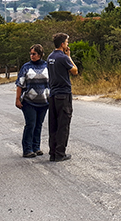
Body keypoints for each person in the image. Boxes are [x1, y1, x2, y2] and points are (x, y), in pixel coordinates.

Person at [46, 33, 78, 162]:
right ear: (62, 44)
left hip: (53, 94)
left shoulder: (50, 57)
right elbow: (75, 71)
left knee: (53, 124)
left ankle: (53, 152)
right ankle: (60, 153)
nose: (68, 44)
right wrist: (69, 57)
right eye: (67, 42)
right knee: (63, 124)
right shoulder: (63, 57)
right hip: (63, 94)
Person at [15, 44, 49, 158]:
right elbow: (20, 84)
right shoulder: (26, 67)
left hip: (44, 102)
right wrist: (17, 99)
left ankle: (36, 147)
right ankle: (27, 149)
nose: (32, 56)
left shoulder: (47, 66)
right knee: (31, 124)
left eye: (34, 54)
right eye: (31, 54)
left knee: (39, 125)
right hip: (29, 102)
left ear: (40, 54)